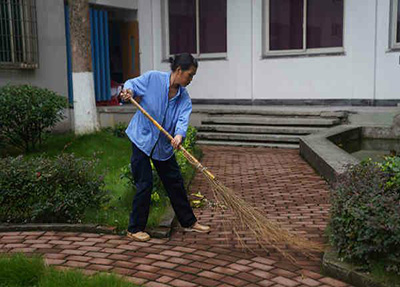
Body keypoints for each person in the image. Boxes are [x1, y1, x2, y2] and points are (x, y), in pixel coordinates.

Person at [120, 53, 210, 242]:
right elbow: (132, 84)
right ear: (179, 70)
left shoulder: (184, 99)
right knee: (144, 183)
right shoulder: (153, 79)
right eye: (190, 75)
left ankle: (188, 222)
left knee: (175, 183)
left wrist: (178, 136)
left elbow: (182, 121)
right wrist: (127, 91)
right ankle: (134, 228)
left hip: (163, 146)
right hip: (142, 140)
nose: (191, 79)